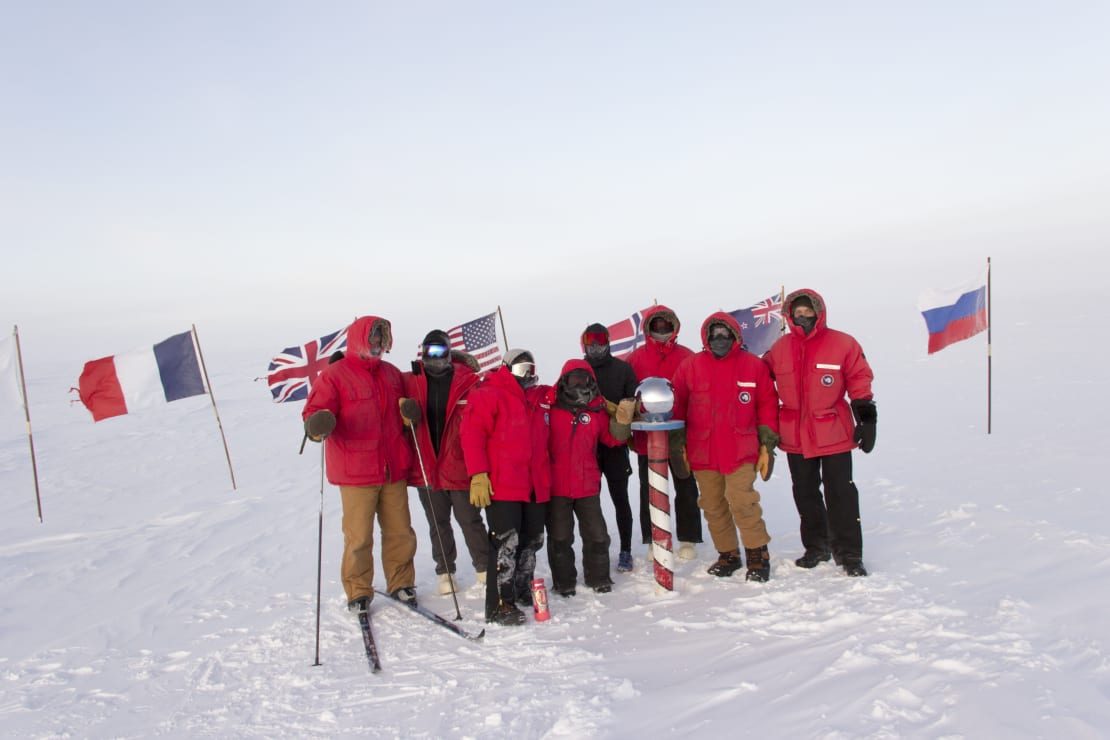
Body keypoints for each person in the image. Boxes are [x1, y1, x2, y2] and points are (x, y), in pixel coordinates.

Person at [302, 315, 418, 613]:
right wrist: (318, 424)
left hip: (393, 467)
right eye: (373, 339)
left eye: (382, 339)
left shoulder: (392, 374)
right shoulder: (334, 375)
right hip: (356, 473)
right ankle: (358, 590)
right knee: (359, 537)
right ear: (360, 340)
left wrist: (408, 415)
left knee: (400, 532)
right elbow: (314, 413)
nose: (378, 345)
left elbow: (405, 413)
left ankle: (401, 582)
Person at [764, 289, 876, 577]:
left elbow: (859, 378)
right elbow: (761, 379)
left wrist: (866, 417)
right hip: (794, 435)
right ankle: (817, 546)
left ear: (818, 312)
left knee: (841, 493)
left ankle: (849, 553)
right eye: (797, 313)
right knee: (805, 493)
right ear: (789, 316)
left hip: (833, 432)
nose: (802, 318)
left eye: (807, 312)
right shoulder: (780, 348)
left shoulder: (842, 343)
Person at [672, 313, 780, 581]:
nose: (720, 339)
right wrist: (679, 442)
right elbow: (678, 405)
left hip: (740, 449)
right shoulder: (690, 366)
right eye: (715, 334)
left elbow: (767, 403)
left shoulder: (753, 366)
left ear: (735, 336)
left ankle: (757, 554)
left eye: (725, 334)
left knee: (742, 500)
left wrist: (767, 442)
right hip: (702, 449)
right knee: (712, 504)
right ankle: (728, 553)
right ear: (706, 337)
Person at [461, 349, 552, 626]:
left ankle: (522, 589)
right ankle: (501, 602)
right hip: (503, 484)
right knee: (506, 543)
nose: (528, 374)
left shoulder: (538, 397)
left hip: (534, 481)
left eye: (531, 368)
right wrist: (478, 473)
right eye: (522, 368)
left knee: (532, 539)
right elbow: (471, 434)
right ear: (507, 368)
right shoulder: (489, 393)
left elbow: (566, 391)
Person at [401, 330, 490, 595]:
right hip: (427, 465)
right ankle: (445, 572)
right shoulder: (411, 382)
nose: (435, 358)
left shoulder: (468, 381)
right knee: (437, 524)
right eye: (430, 351)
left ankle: (485, 568)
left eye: (440, 351)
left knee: (470, 520)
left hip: (459, 464)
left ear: (449, 352)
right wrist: (405, 415)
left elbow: (483, 421)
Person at [545, 360, 635, 596]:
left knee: (597, 535)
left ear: (591, 381)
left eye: (583, 379)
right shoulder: (550, 407)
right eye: (573, 379)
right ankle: (564, 583)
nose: (578, 384)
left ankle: (599, 578)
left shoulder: (596, 410)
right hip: (557, 486)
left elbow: (613, 440)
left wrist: (623, 422)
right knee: (560, 538)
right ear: (564, 380)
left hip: (587, 484)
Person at [627, 305, 703, 559]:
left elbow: (698, 393)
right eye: (657, 325)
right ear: (648, 327)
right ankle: (653, 538)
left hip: (680, 431)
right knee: (648, 487)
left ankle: (689, 538)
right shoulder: (636, 358)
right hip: (646, 434)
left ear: (674, 327)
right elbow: (627, 393)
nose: (661, 329)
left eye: (666, 325)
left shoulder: (687, 356)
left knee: (686, 484)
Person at [580, 323, 640, 573]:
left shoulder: (623, 369)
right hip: (587, 447)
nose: (595, 347)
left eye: (600, 341)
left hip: (615, 445)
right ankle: (596, 551)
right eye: (590, 342)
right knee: (589, 504)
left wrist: (622, 411)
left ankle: (625, 550)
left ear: (608, 342)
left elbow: (634, 403)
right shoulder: (578, 370)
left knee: (620, 499)